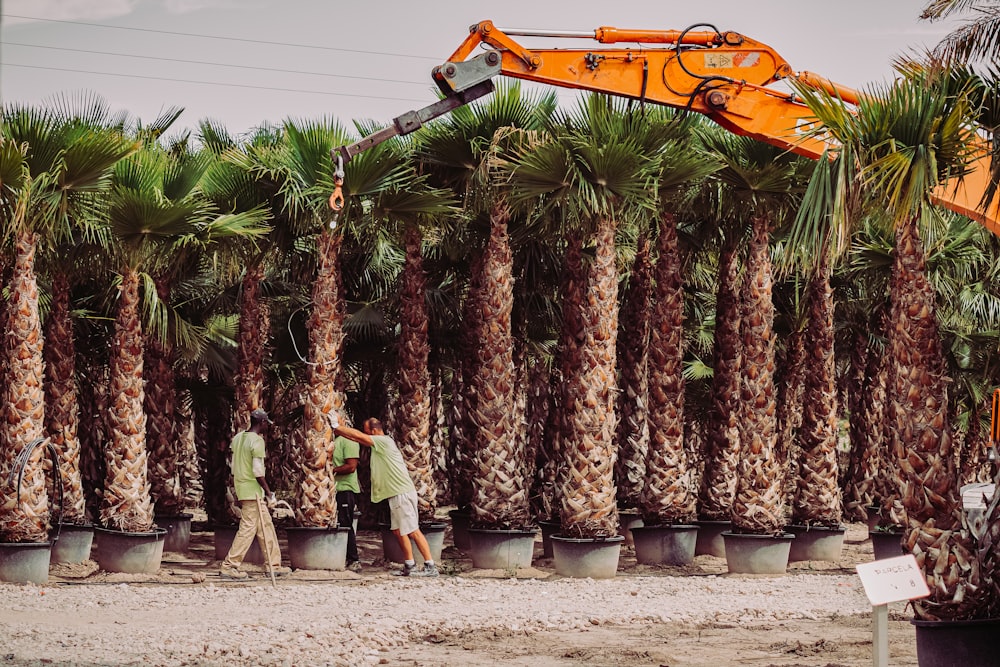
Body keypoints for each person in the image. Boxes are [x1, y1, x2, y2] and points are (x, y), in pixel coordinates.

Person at [332, 415, 438, 577]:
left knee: (412, 530)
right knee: (398, 531)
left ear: (374, 431)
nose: (365, 434)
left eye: (367, 431)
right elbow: (357, 437)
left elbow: (359, 437)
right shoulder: (378, 445)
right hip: (395, 495)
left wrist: (336, 426)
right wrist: (339, 431)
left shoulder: (384, 441)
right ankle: (409, 565)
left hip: (402, 493)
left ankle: (430, 566)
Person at [220, 408, 292, 580]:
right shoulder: (257, 441)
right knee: (247, 529)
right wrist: (269, 493)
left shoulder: (237, 438)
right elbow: (258, 471)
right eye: (267, 423)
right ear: (262, 423)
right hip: (253, 491)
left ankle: (273, 565)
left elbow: (233, 466)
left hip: (242, 487)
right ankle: (229, 566)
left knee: (265, 526)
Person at [329, 414, 362, 572]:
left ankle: (354, 559)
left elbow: (351, 466)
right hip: (333, 490)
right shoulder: (332, 441)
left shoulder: (348, 440)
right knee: (338, 524)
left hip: (345, 489)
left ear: (342, 421)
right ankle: (338, 557)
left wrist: (329, 471)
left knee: (346, 524)